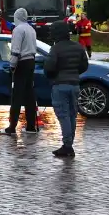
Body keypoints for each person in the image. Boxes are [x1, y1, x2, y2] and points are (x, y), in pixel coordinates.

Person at [43, 21, 89, 157]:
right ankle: (69, 144)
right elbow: (84, 65)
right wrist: (75, 73)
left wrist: (53, 77)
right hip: (74, 85)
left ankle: (67, 146)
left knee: (63, 116)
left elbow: (49, 68)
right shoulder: (78, 47)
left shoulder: (56, 49)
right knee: (71, 115)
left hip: (60, 85)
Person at [1, 8, 39, 135]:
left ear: (17, 17)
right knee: (29, 95)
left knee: (17, 96)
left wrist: (12, 66)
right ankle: (31, 126)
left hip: (21, 63)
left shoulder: (18, 30)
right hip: (31, 61)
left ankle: (12, 127)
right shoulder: (31, 29)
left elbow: (15, 50)